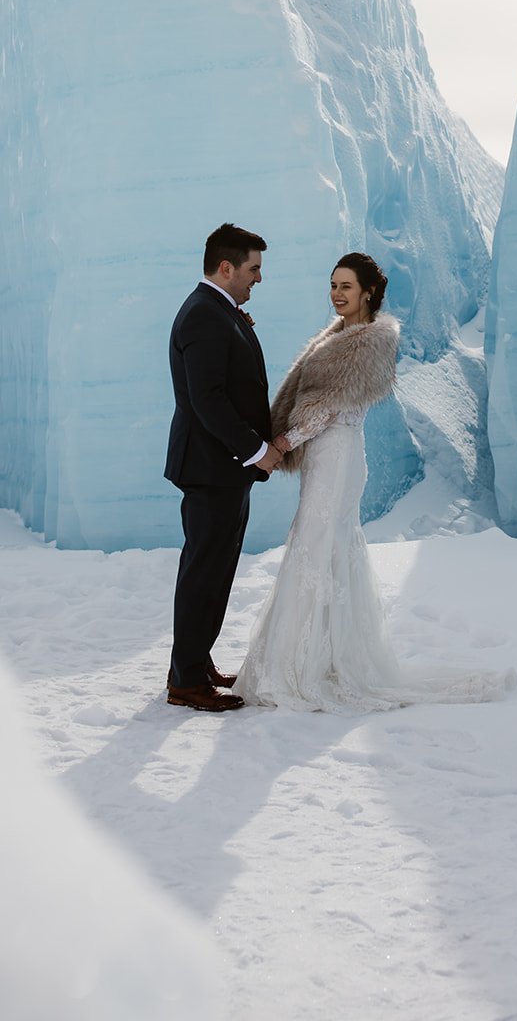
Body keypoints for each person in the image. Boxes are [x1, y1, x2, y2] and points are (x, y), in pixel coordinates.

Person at [235, 252, 516, 712]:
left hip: (338, 451)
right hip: (325, 454)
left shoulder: (370, 341)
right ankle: (312, 656)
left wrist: (283, 442)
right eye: (333, 285)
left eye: (346, 286)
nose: (337, 294)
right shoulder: (338, 335)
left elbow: (333, 406)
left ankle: (304, 665)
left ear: (368, 292)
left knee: (317, 541)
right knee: (320, 545)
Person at [165, 223, 285, 712]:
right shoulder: (203, 316)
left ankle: (196, 661)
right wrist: (256, 450)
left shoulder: (219, 311)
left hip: (224, 469)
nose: (258, 279)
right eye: (254, 269)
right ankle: (185, 680)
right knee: (203, 573)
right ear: (226, 267)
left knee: (216, 571)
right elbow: (207, 399)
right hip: (212, 467)